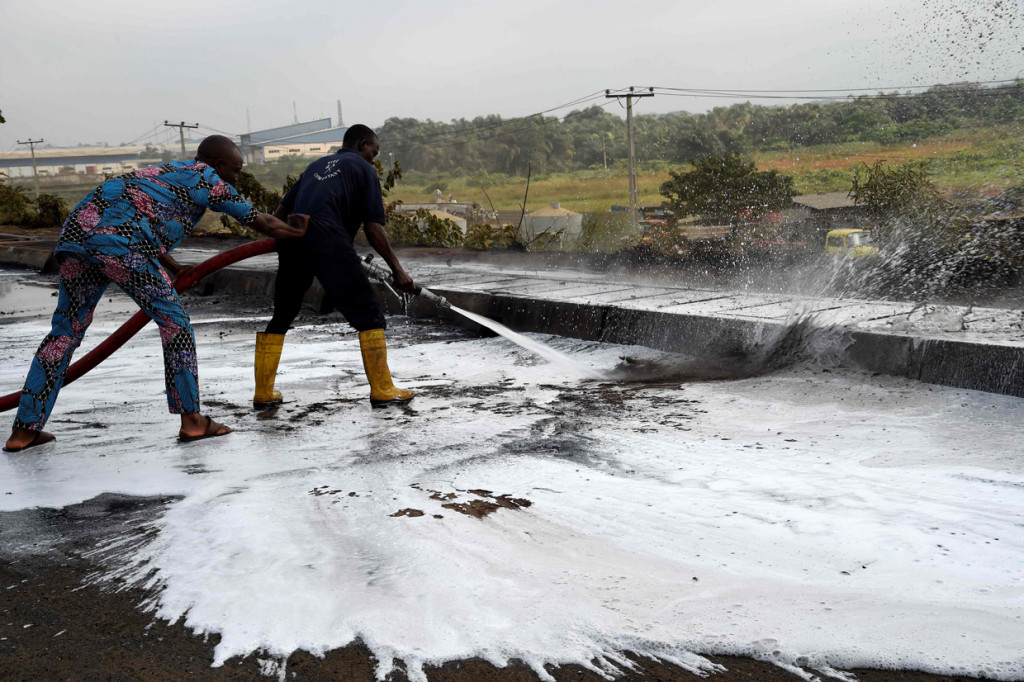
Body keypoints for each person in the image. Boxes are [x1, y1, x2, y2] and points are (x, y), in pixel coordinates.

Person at [4, 136, 307, 453]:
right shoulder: (208, 178)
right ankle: (192, 420)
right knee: (174, 321)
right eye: (236, 169)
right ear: (218, 164)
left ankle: (23, 431)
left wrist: (175, 268)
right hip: (119, 245)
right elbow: (261, 221)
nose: (236, 177)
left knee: (65, 331)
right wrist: (297, 232)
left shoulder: (166, 171)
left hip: (78, 237)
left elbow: (138, 217)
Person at [253, 124, 415, 409]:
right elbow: (374, 227)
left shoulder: (315, 165)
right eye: (373, 152)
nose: (373, 159)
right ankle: (383, 389)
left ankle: (263, 393)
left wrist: (293, 246)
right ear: (363, 144)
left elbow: (278, 214)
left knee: (283, 314)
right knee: (369, 315)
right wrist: (398, 271)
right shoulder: (363, 169)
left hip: (293, 238)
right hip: (328, 238)